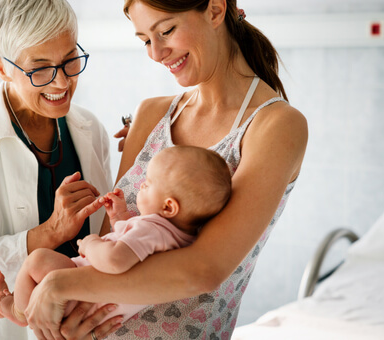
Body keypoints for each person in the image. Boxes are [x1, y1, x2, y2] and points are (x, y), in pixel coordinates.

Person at [21, 0, 308, 339]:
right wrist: (71, 308)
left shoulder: (275, 125)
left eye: (166, 30)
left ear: (215, 10)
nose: (156, 54)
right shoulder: (152, 115)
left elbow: (204, 270)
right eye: (145, 39)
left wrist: (59, 285)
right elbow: (113, 241)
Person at [0, 0, 122, 339]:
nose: (62, 83)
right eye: (40, 68)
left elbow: (105, 238)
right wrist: (51, 232)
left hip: (79, 325)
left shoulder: (89, 128)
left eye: (70, 60)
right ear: (0, 67)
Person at [0, 146, 232, 328]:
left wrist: (91, 243)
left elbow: (116, 260)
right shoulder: (176, 236)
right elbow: (130, 248)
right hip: (97, 304)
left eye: (148, 184)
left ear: (168, 207)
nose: (141, 187)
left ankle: (17, 310)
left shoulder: (152, 228)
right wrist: (119, 217)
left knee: (37, 260)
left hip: (81, 291)